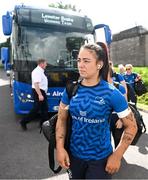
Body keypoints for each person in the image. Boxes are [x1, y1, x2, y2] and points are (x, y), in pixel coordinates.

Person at [55, 43, 137, 179]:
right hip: (74, 158)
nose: (80, 65)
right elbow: (61, 119)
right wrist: (60, 147)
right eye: (79, 60)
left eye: (86, 61)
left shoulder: (112, 93)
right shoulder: (71, 90)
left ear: (99, 64)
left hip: (100, 160)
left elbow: (132, 126)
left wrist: (117, 155)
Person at [20, 59, 49, 131]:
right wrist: (40, 95)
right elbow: (36, 84)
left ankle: (43, 124)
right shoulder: (37, 72)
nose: (46, 65)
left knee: (44, 108)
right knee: (36, 109)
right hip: (38, 91)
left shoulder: (40, 71)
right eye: (45, 63)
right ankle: (23, 121)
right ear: (41, 64)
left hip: (41, 91)